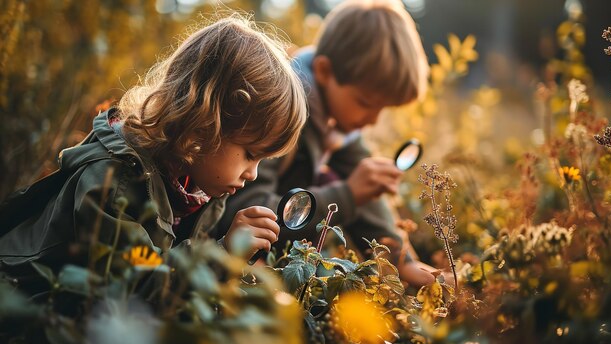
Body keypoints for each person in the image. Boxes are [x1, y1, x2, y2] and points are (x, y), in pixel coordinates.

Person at [0, 16, 307, 294]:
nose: (252, 173)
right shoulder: (112, 181)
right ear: (205, 122)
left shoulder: (193, 184)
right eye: (249, 154)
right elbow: (131, 290)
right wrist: (222, 255)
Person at [217, 0, 444, 287]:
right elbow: (245, 207)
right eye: (365, 104)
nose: (373, 120)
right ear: (324, 72)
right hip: (235, 260)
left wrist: (403, 263)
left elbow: (369, 200)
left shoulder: (338, 124)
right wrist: (347, 194)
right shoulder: (278, 114)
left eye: (382, 109)